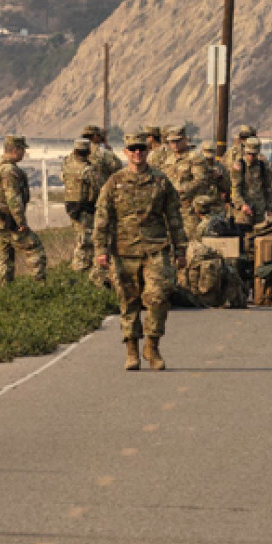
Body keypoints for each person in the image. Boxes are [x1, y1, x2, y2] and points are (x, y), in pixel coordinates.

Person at [95, 132, 188, 371]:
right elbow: (103, 217)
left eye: (142, 149)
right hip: (124, 251)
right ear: (126, 152)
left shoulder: (160, 181)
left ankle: (152, 345)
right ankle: (132, 350)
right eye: (133, 149)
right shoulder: (114, 182)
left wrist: (180, 250)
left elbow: (174, 217)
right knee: (129, 302)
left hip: (155, 249)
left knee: (158, 298)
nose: (138, 153)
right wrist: (101, 249)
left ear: (148, 151)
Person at [0, 134, 48, 286]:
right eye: (22, 150)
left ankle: (2, 292)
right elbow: (13, 198)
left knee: (4, 260)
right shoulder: (9, 171)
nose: (24, 153)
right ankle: (40, 286)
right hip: (10, 221)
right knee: (35, 249)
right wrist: (21, 222)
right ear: (15, 151)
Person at [162, 127, 226, 244]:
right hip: (171, 208)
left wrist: (182, 190)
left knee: (192, 241)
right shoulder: (168, 159)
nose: (175, 144)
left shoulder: (195, 158)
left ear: (185, 140)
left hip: (189, 208)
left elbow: (201, 181)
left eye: (178, 141)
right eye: (172, 141)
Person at [61, 135, 105, 283]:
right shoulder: (88, 170)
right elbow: (101, 187)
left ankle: (79, 272)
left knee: (79, 238)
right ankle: (79, 271)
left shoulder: (67, 166)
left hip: (71, 207)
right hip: (85, 208)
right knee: (85, 242)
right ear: (88, 152)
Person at [230, 137, 272, 224]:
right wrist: (242, 205)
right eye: (249, 154)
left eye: (254, 154)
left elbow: (269, 188)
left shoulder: (263, 166)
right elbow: (235, 189)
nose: (251, 157)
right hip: (244, 211)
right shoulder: (239, 166)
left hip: (260, 210)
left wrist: (270, 209)